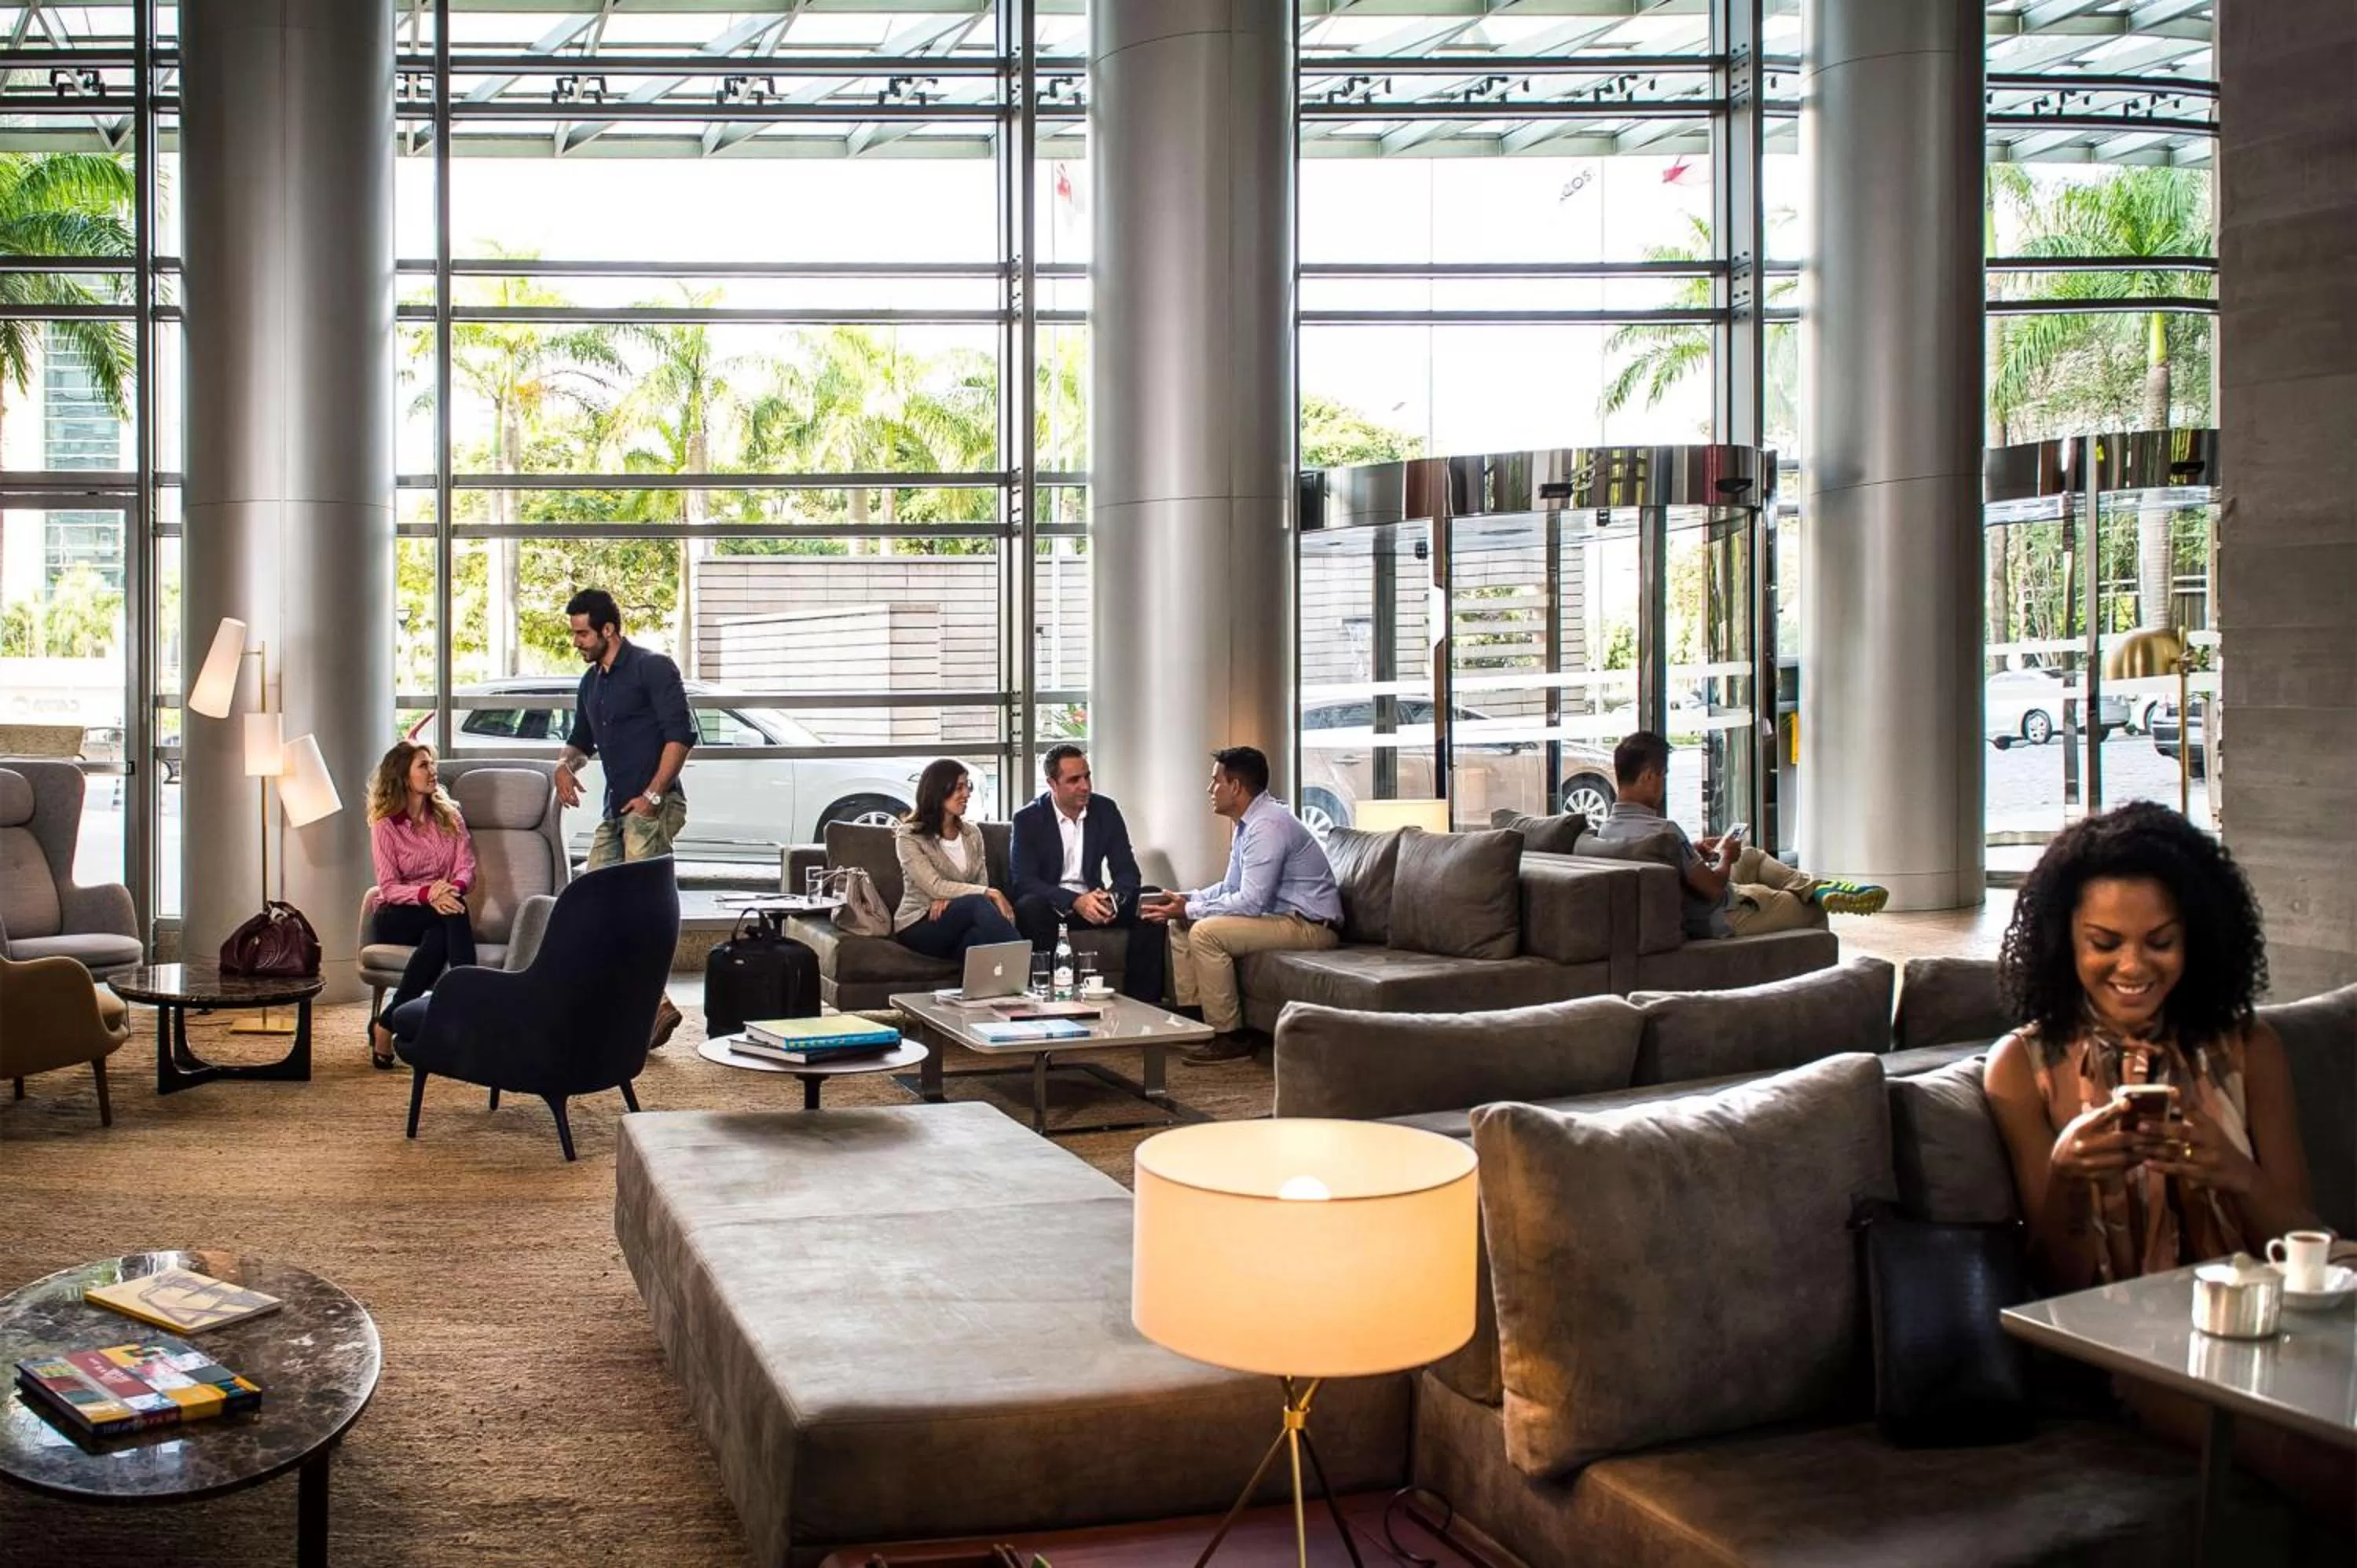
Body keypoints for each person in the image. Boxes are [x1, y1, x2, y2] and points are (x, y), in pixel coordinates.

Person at [1982, 801, 2339, 1518]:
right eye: (2104, 942)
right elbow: (2054, 1288)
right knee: (2318, 1460)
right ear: (2064, 940)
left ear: (2196, 937)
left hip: (2262, 1325)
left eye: (2161, 942)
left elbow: (2307, 1244)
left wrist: (2231, 1172)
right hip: (2129, 1351)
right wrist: (2068, 1177)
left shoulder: (2248, 1050)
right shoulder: (2024, 1068)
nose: (2133, 966)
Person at [555, 587, 695, 1049]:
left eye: (582, 634)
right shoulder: (591, 683)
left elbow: (681, 736)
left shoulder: (652, 668)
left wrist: (652, 795)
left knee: (637, 907)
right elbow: (580, 741)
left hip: (654, 806)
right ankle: (644, 1007)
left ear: (609, 629)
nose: (576, 642)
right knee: (592, 905)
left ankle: (645, 1007)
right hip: (615, 809)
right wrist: (564, 765)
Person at [1140, 746, 1340, 1064]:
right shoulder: (1248, 823)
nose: (1210, 789)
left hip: (1310, 926)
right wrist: (1187, 901)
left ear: (1235, 787)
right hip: (1280, 918)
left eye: (1215, 781)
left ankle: (1230, 1037)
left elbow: (1251, 901)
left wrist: (1191, 909)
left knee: (1205, 932)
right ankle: (1198, 1020)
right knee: (1181, 921)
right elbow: (1231, 887)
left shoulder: (1268, 825)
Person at [1594, 730, 1887, 939]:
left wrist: (1693, 849)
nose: (1663, 784)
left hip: (1690, 905)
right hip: (1717, 916)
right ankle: (1814, 897)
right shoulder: (1665, 832)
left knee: (1750, 856)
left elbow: (1663, 860)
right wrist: (1725, 857)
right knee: (1813, 911)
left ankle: (1816, 886)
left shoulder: (1605, 832)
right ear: (1648, 776)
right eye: (1663, 775)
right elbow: (1713, 888)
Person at [1009, 746, 1167, 1005]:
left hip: (1097, 904)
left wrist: (1113, 899)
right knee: (1029, 907)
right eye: (1074, 780)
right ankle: (1048, 1002)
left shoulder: (1105, 810)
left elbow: (1127, 871)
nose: (1085, 786)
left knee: (1151, 900)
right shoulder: (1028, 819)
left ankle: (1143, 1004)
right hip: (1055, 907)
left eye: (1087, 776)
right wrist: (1075, 901)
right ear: (1052, 784)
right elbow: (1023, 881)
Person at [365, 740, 476, 1070]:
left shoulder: (449, 817)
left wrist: (452, 889)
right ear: (403, 776)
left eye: (432, 764)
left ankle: (387, 1022)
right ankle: (468, 1006)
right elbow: (389, 888)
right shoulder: (385, 826)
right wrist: (429, 894)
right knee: (453, 913)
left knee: (442, 931)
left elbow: (466, 868)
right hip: (397, 916)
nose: (433, 771)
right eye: (423, 765)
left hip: (439, 912)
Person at [894, 759, 1023, 960]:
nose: (967, 794)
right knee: (977, 903)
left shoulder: (972, 834)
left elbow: (980, 883)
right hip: (920, 922)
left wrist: (953, 900)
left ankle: (1005, 976)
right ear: (938, 791)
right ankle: (1029, 966)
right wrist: (989, 893)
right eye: (959, 787)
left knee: (979, 938)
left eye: (967, 786)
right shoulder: (909, 836)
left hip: (957, 922)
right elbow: (935, 886)